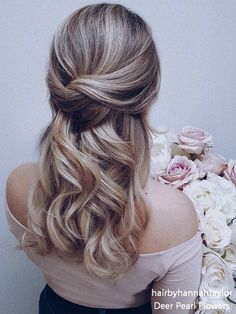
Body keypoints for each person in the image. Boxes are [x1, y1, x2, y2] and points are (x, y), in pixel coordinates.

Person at [5, 3, 203, 314]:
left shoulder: (19, 185)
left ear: (55, 86)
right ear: (148, 94)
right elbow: (174, 310)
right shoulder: (174, 216)